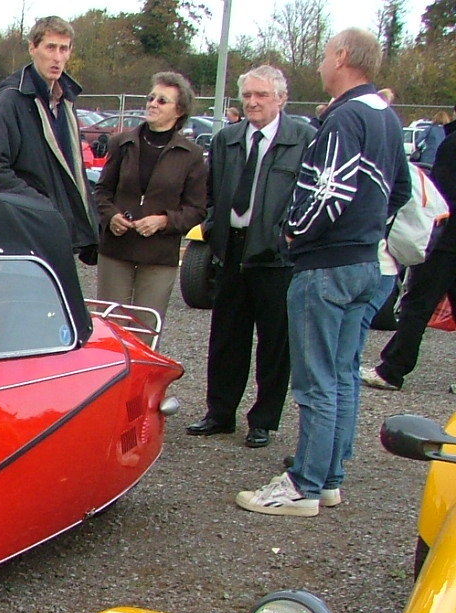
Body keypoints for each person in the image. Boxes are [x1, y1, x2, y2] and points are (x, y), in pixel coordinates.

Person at [236, 28, 409, 517]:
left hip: (327, 265)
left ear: (342, 57)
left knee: (315, 382)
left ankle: (304, 485)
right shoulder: (386, 116)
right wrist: (368, 228)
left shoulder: (344, 117)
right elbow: (400, 189)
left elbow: (330, 191)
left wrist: (295, 232)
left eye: (325, 54)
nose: (320, 64)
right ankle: (329, 478)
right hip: (366, 262)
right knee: (343, 375)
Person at [187, 65, 315, 449]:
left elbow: (308, 194)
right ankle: (219, 412)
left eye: (261, 95)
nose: (253, 102)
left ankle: (263, 420)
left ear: (281, 98)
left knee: (274, 343)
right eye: (247, 95)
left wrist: (286, 235)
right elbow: (210, 192)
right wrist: (213, 227)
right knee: (227, 337)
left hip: (276, 256)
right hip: (231, 248)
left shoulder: (304, 139)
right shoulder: (226, 139)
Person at [0, 16, 99, 264]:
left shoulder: (66, 100)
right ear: (32, 48)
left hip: (59, 233)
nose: (57, 57)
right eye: (50, 47)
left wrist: (89, 224)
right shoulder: (12, 100)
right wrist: (43, 208)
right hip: (27, 232)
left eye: (63, 49)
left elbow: (73, 171)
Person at [93, 71, 206, 317]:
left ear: (179, 111)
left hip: (158, 255)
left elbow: (196, 210)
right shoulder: (121, 143)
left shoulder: (192, 155)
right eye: (151, 98)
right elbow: (101, 191)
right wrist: (111, 216)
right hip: (117, 249)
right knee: (111, 324)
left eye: (162, 101)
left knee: (145, 326)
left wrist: (164, 221)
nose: (153, 104)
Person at [360, 117, 456, 392]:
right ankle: (393, 366)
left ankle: (393, 369)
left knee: (417, 305)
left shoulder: (450, 145)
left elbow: (441, 196)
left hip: (445, 240)